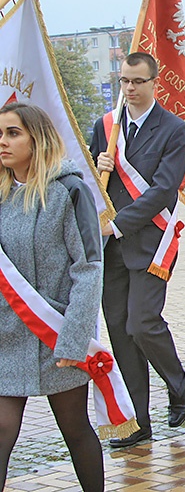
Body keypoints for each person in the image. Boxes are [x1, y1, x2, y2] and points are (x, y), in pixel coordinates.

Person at [0, 104, 104, 491]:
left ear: (37, 138)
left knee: (75, 430)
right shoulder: (0, 192)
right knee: (1, 432)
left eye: (13, 133)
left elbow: (89, 268)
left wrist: (74, 339)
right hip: (7, 335)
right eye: (0, 134)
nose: (3, 142)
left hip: (57, 334)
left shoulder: (70, 190)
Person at [90, 52, 185, 447]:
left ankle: (177, 381)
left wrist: (117, 225)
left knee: (142, 323)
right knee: (120, 333)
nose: (130, 89)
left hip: (150, 241)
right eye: (124, 82)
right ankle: (138, 422)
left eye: (137, 82)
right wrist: (96, 162)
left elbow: (163, 190)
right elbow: (92, 179)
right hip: (111, 250)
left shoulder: (173, 129)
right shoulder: (107, 127)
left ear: (154, 82)